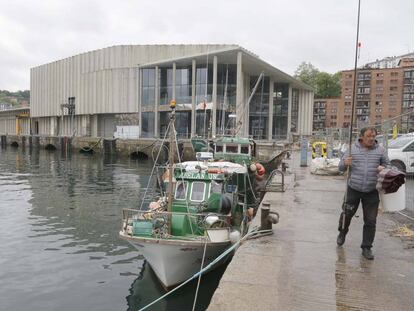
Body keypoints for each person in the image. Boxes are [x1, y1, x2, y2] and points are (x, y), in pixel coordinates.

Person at [337, 127, 389, 260]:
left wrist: (384, 168)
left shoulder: (380, 150)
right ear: (361, 137)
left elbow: (389, 166)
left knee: (371, 220)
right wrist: (345, 162)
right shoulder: (351, 149)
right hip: (353, 188)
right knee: (347, 214)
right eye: (368, 136)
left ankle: (366, 247)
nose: (372, 139)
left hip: (371, 191)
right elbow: (340, 168)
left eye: (373, 136)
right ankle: (342, 232)